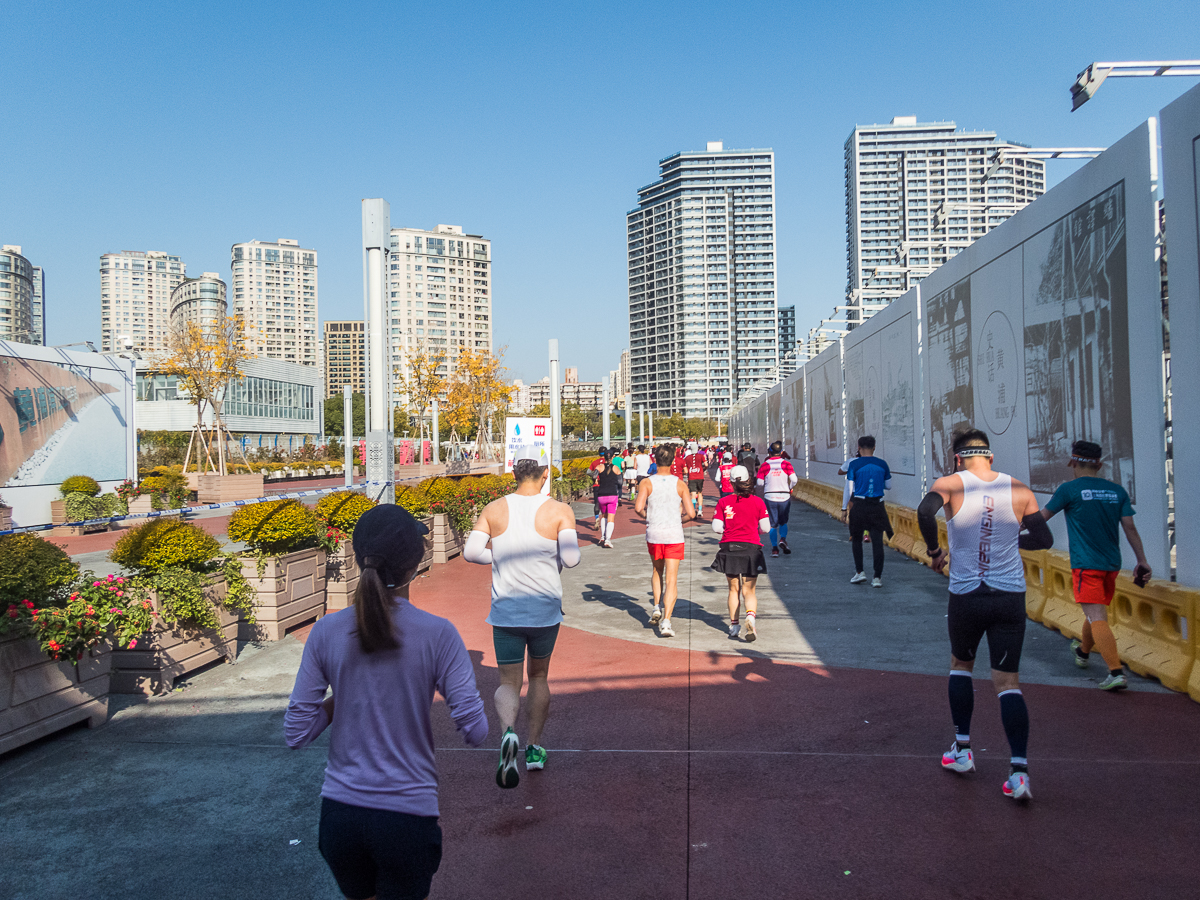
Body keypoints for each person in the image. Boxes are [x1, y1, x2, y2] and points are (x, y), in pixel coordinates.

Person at [285, 504, 488, 900]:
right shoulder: (438, 634)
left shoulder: (325, 632)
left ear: (360, 558)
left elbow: (296, 733)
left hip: (340, 820)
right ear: (415, 565)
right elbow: (477, 731)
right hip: (407, 820)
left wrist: (341, 696)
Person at [918, 428, 1054, 802]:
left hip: (967, 595)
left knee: (961, 665)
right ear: (990, 457)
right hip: (1009, 596)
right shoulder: (1020, 489)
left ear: (957, 458)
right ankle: (1020, 772)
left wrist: (935, 551)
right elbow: (1044, 540)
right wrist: (1010, 540)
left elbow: (924, 512)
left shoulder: (950, 483)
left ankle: (962, 750)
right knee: (1008, 682)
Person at [463, 450, 582, 788]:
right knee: (539, 676)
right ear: (544, 473)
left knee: (507, 682)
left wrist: (500, 556)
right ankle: (533, 749)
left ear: (513, 473)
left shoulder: (494, 509)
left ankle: (507, 735)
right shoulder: (559, 510)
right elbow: (571, 559)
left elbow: (472, 552)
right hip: (544, 610)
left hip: (505, 610)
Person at [1041, 440, 1152, 691]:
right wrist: (1142, 561)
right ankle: (1082, 651)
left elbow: (1042, 518)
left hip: (1085, 564)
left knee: (1097, 616)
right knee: (1095, 613)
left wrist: (1015, 527)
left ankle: (1115, 672)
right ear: (1100, 465)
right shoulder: (1117, 491)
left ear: (1073, 462)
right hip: (1111, 564)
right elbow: (1130, 527)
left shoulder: (1069, 490)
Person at [635, 444, 695, 637]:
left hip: (654, 533)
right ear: (673, 460)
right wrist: (679, 519)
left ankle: (656, 607)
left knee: (656, 570)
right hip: (674, 534)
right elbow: (691, 513)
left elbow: (638, 508)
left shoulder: (646, 482)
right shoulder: (680, 484)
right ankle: (667, 622)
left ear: (655, 459)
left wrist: (649, 517)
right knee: (672, 579)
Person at [711, 465, 770, 641]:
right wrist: (754, 530)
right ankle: (750, 617)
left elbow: (716, 528)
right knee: (749, 590)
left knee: (733, 589)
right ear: (748, 481)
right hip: (751, 548)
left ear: (730, 482)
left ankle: (734, 625)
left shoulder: (723, 502)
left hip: (729, 548)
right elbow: (766, 528)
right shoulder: (758, 502)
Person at [845, 436, 893, 586]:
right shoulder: (882, 464)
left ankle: (860, 572)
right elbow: (888, 486)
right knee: (877, 542)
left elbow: (849, 488)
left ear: (859, 447)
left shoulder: (854, 464)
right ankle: (877, 578)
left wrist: (844, 508)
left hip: (859, 505)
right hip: (877, 506)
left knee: (857, 539)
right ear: (874, 447)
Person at [757, 441, 798, 559]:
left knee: (772, 524)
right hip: (784, 496)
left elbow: (759, 483)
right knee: (783, 522)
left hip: (770, 497)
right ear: (781, 452)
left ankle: (774, 549)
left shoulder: (765, 465)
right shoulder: (786, 464)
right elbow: (794, 479)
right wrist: (789, 488)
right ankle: (783, 539)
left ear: (769, 452)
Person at [593, 451, 624, 549]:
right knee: (611, 519)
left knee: (604, 516)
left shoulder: (599, 467)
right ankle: (607, 540)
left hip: (601, 494)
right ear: (613, 457)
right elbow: (620, 482)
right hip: (612, 495)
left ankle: (602, 537)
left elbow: (594, 476)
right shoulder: (616, 468)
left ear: (604, 457)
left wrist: (598, 480)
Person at [684, 442, 708, 520]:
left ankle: (694, 509)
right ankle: (700, 510)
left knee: (693, 494)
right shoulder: (701, 456)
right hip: (700, 476)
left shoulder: (687, 458)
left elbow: (686, 468)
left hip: (691, 477)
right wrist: (703, 469)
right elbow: (706, 464)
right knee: (700, 493)